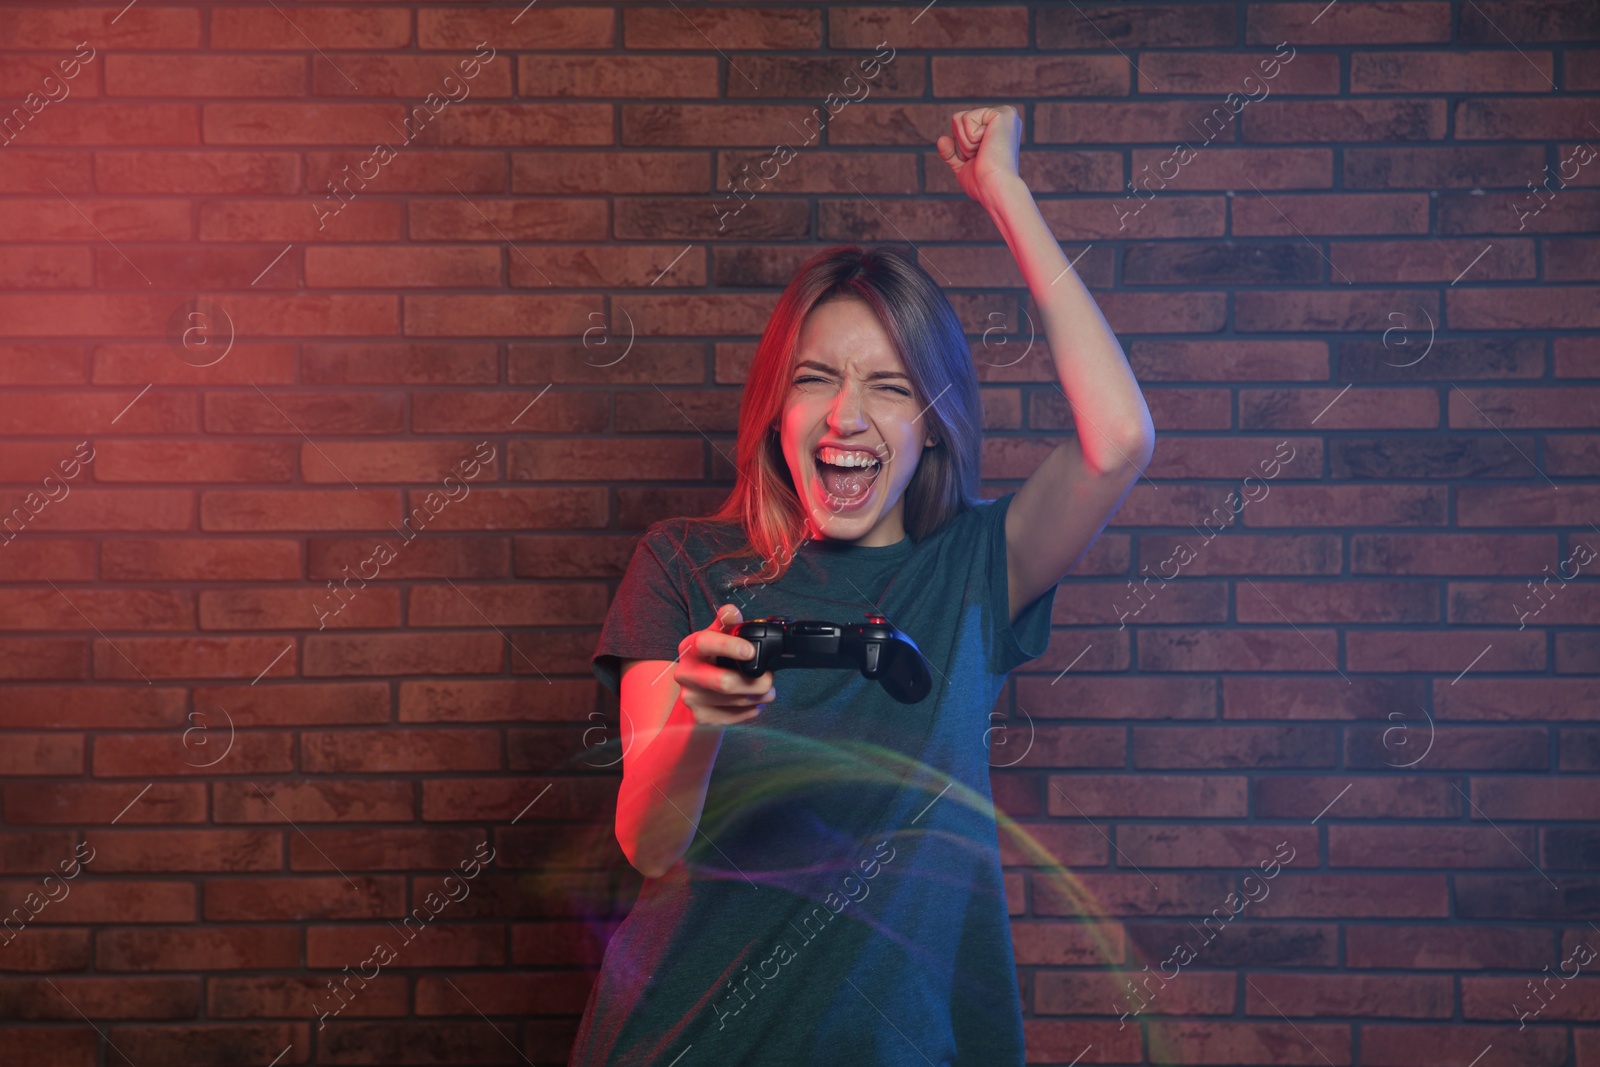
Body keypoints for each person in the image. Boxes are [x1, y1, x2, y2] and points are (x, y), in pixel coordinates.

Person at [571, 105, 1155, 1067]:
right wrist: (696, 720)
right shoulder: (683, 563)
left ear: (933, 421)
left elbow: (1122, 439)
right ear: (775, 409)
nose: (846, 415)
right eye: (816, 378)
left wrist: (1004, 193)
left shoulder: (976, 567)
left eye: (889, 385)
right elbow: (650, 840)